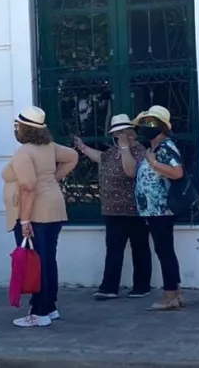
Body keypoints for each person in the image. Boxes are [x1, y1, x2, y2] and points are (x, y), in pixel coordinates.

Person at [5, 106, 79, 327]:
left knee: (36, 263)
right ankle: (50, 307)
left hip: (35, 213)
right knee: (47, 260)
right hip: (53, 208)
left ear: (24, 128)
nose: (15, 129)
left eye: (17, 125)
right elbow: (73, 156)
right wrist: (53, 179)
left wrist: (25, 220)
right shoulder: (49, 147)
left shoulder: (24, 152)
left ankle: (39, 312)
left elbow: (28, 187)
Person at [73, 114, 152, 301]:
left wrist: (125, 147)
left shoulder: (139, 150)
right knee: (114, 249)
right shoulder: (113, 151)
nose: (125, 135)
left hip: (134, 210)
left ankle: (142, 286)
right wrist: (82, 147)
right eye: (120, 132)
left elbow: (131, 171)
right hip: (112, 210)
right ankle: (109, 287)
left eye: (127, 131)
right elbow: (100, 157)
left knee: (139, 248)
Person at [132, 106, 186, 311]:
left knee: (164, 251)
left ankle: (170, 294)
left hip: (161, 209)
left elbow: (177, 172)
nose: (147, 127)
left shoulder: (165, 148)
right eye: (145, 123)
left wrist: (153, 163)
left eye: (152, 123)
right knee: (164, 250)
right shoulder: (153, 149)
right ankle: (176, 292)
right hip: (152, 210)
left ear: (163, 127)